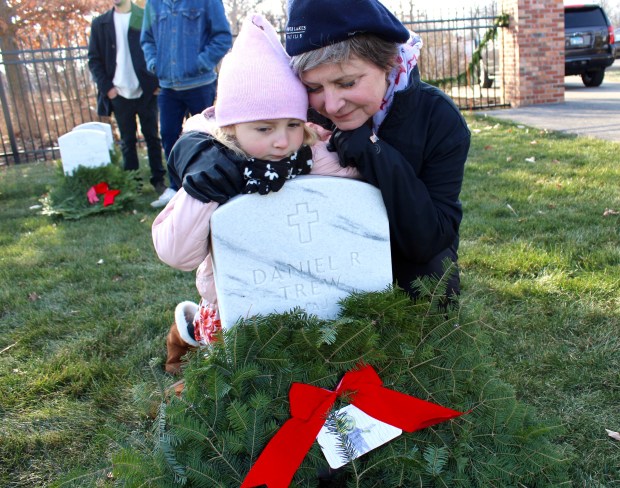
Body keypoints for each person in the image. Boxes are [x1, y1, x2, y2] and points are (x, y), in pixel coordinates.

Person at [151, 14, 360, 375]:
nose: (282, 141)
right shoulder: (212, 171)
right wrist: (205, 190)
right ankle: (183, 335)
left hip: (301, 286)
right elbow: (176, 252)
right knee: (232, 367)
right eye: (264, 128)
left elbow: (354, 183)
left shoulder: (306, 154)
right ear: (231, 126)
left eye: (293, 124)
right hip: (235, 298)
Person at [285, 0, 471, 300]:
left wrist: (372, 151)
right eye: (314, 87)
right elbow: (225, 125)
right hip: (316, 248)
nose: (330, 106)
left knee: (434, 283)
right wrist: (197, 153)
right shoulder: (295, 106)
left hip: (402, 249)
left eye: (346, 82)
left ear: (390, 65)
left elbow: (430, 238)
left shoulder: (439, 118)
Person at [141, 0, 232, 208]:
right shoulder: (153, 4)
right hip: (168, 86)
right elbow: (147, 39)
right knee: (169, 135)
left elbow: (222, 36)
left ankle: (209, 184)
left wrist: (201, 63)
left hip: (200, 83)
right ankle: (176, 188)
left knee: (206, 137)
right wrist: (155, 63)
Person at [88, 0, 166, 194]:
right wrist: (108, 89)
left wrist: (156, 82)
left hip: (146, 90)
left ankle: (159, 180)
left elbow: (159, 48)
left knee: (152, 137)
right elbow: (94, 60)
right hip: (119, 92)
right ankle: (133, 183)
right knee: (127, 141)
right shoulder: (100, 24)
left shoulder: (143, 17)